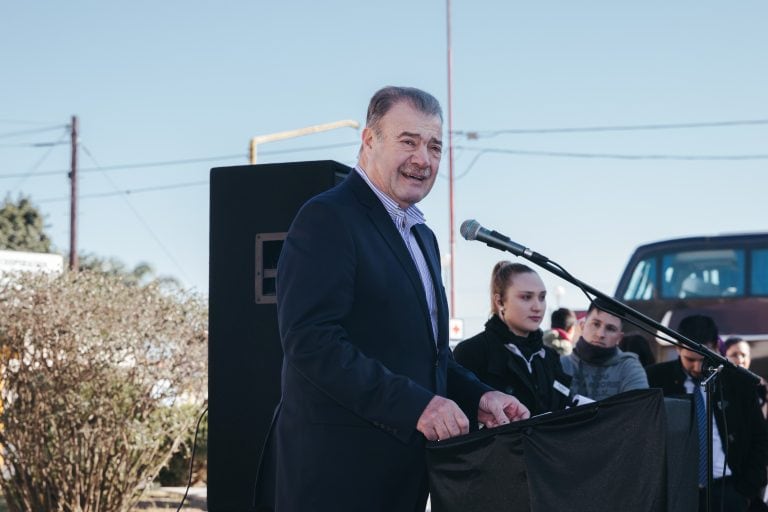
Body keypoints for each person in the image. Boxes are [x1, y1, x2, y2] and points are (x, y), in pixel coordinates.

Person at [264, 86, 530, 512]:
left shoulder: (421, 236)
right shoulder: (328, 217)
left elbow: (429, 356)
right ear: (369, 140)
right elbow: (311, 343)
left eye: (434, 146)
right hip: (338, 477)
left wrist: (480, 396)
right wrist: (417, 406)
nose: (423, 159)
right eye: (408, 141)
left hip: (405, 478)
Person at [645, 315, 768, 511]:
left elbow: (760, 437)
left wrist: (746, 490)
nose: (696, 367)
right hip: (677, 491)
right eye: (690, 359)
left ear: (715, 347)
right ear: (677, 348)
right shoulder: (656, 378)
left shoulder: (737, 381)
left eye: (703, 359)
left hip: (729, 489)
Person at [453, 262, 574, 416]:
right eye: (526, 297)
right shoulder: (472, 352)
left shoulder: (550, 356)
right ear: (500, 302)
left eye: (542, 297)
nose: (537, 306)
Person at [560, 303, 648, 401]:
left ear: (619, 337)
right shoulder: (559, 365)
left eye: (610, 329)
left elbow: (638, 411)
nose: (600, 334)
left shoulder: (629, 367)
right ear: (582, 326)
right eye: (596, 324)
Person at [724, 336, 768, 420]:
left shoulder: (760, 384)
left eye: (744, 355)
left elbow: (761, 420)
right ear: (724, 356)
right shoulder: (718, 384)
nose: (740, 360)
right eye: (734, 355)